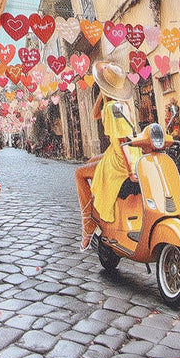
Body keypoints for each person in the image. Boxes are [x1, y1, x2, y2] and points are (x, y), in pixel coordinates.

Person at [74, 61, 139, 251]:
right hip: (127, 153)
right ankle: (95, 210)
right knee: (91, 162)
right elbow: (95, 115)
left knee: (79, 173)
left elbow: (121, 140)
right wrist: (104, 91)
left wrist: (130, 171)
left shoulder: (111, 109)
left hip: (120, 159)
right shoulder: (124, 104)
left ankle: (88, 224)